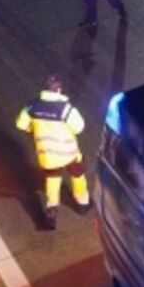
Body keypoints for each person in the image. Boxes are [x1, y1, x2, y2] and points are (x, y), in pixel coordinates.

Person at [15, 75, 90, 230]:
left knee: (52, 182)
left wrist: (34, 129)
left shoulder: (32, 107)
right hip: (70, 154)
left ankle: (51, 212)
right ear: (58, 90)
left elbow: (21, 125)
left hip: (47, 156)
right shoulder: (65, 109)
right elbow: (79, 128)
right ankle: (82, 205)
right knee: (78, 177)